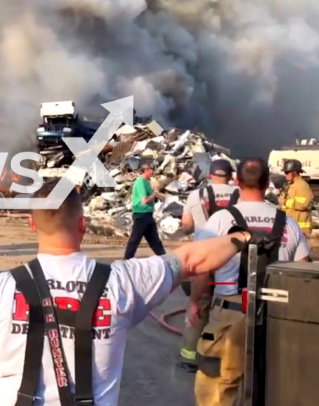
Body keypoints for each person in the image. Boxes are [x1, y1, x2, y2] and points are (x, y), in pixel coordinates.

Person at [0, 179, 264, 406]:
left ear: (32, 225)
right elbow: (192, 260)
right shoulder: (121, 280)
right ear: (83, 225)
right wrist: (242, 235)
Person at [190, 158, 310, 406]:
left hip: (229, 315)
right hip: (276, 318)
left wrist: (195, 304)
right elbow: (302, 272)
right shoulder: (287, 222)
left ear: (236, 182)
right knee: (275, 386)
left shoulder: (220, 221)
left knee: (217, 387)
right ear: (267, 183)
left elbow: (202, 268)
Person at [179, 159, 239, 370]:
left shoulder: (197, 195)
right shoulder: (239, 195)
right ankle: (222, 354)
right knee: (226, 308)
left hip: (202, 260)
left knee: (197, 305)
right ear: (231, 176)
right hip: (230, 260)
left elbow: (186, 225)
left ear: (209, 175)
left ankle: (190, 356)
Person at [123, 160, 166, 259]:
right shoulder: (140, 183)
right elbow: (145, 200)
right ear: (146, 170)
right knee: (135, 239)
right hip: (141, 215)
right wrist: (154, 195)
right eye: (151, 169)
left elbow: (151, 196)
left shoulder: (146, 182)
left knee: (154, 240)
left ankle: (164, 258)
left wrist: (157, 194)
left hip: (148, 214)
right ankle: (127, 259)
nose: (152, 171)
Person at [279, 158, 313, 236]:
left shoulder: (302, 186)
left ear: (294, 173)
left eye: (287, 172)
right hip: (290, 226)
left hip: (300, 230)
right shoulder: (290, 185)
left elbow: (303, 204)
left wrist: (284, 202)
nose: (285, 174)